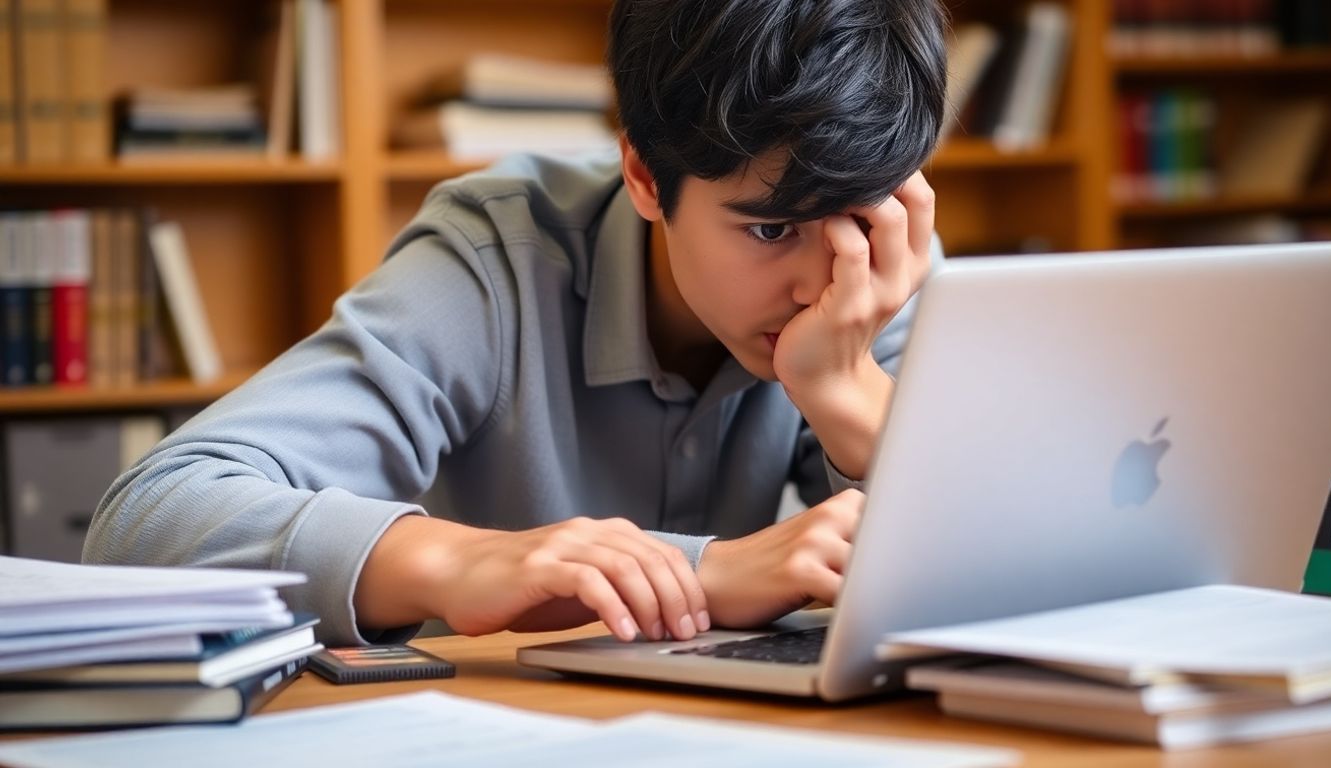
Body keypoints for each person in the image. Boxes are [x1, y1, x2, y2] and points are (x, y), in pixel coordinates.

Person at [84, 0, 948, 647]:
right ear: (646, 177)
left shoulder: (884, 265)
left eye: (858, 221)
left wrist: (846, 394)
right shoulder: (495, 258)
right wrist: (457, 563)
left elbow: (1012, 573)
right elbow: (143, 523)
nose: (823, 286)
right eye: (769, 228)